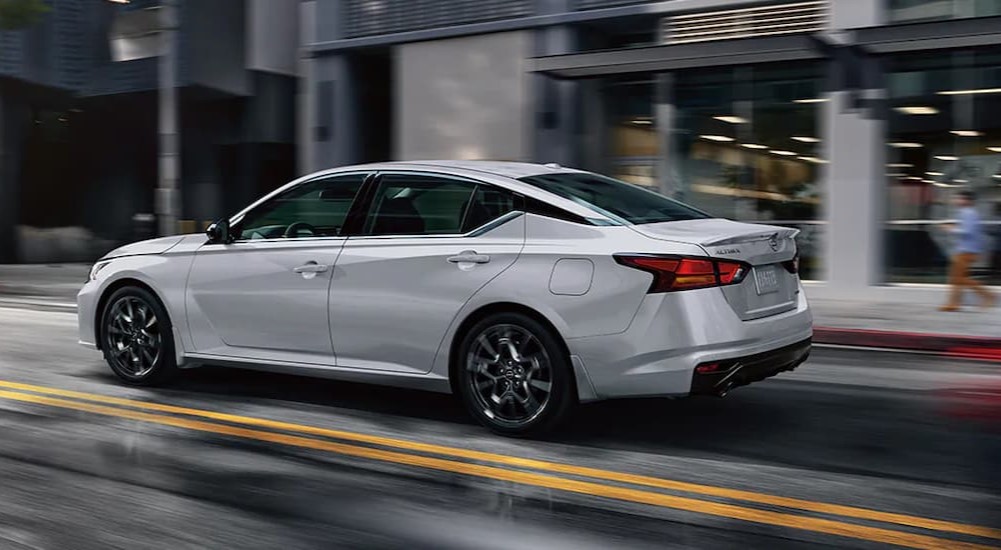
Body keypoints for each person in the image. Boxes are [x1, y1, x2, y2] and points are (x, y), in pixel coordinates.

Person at [940, 190, 996, 311]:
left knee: (959, 278)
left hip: (967, 251)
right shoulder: (967, 213)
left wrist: (950, 229)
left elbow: (967, 232)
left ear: (967, 200)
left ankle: (989, 296)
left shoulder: (969, 213)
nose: (956, 201)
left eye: (959, 198)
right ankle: (953, 304)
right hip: (965, 250)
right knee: (956, 278)